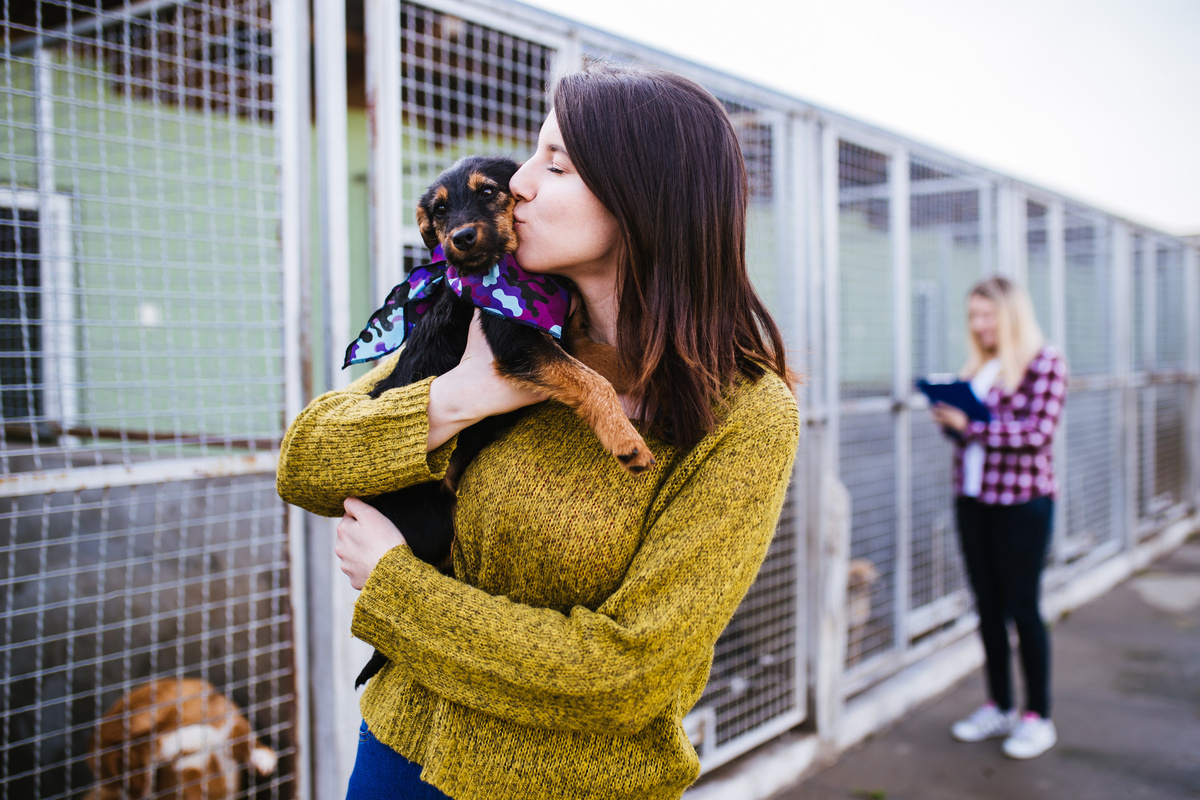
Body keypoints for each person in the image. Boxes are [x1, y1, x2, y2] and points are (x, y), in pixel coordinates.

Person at [277, 63, 800, 800]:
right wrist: (460, 396)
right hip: (396, 751)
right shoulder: (494, 326)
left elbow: (628, 675)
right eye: (530, 155)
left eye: (554, 163)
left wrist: (396, 589)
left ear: (642, 199)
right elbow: (303, 463)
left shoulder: (747, 414)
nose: (519, 182)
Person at [929, 275, 1067, 760]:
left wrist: (974, 425)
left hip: (1021, 504)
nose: (979, 324)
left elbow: (1037, 433)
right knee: (987, 607)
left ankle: (1038, 717)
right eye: (973, 315)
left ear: (1009, 315)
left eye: (987, 314)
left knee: (1023, 608)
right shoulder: (980, 364)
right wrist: (952, 422)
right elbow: (972, 438)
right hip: (973, 500)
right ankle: (1001, 705)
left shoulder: (1044, 362)